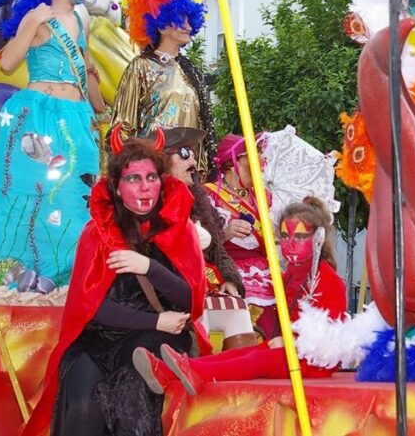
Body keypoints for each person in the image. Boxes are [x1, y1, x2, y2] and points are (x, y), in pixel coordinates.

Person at [22, 130, 210, 436]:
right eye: (133, 178)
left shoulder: (180, 229)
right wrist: (157, 319)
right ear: (117, 188)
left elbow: (190, 299)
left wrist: (149, 267)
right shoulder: (96, 233)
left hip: (157, 338)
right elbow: (91, 306)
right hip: (103, 335)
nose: (145, 186)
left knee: (131, 398)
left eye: (151, 177)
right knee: (82, 406)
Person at [0, 0, 107, 303]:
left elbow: (91, 88)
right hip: (39, 115)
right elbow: (7, 64)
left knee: (76, 200)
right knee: (29, 195)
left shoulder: (81, 23)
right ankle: (19, 279)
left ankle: (70, 280)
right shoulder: (40, 16)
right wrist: (30, 22)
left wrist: (96, 89)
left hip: (76, 116)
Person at [133, 197, 346, 394]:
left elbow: (330, 338)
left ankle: (191, 372)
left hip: (313, 359)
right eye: (284, 236)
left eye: (299, 237)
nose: (290, 244)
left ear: (317, 238)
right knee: (240, 353)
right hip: (291, 349)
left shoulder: (328, 280)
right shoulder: (291, 273)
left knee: (256, 359)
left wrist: (291, 341)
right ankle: (171, 371)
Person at [110, 0, 218, 179]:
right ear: (160, 25)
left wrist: (200, 169)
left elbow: (201, 125)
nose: (188, 27)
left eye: (191, 21)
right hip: (153, 170)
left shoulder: (191, 70)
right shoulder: (141, 67)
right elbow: (123, 125)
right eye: (181, 20)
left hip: (187, 171)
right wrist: (134, 169)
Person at [162, 126, 259, 351]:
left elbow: (216, 248)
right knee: (196, 309)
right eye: (184, 154)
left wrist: (229, 279)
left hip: (203, 284)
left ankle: (239, 379)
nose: (193, 159)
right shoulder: (153, 200)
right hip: (170, 292)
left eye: (193, 153)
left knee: (237, 310)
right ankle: (196, 371)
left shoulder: (200, 200)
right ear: (163, 161)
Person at [204, 134, 275, 313]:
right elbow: (194, 242)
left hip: (267, 271)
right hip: (227, 272)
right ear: (232, 163)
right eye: (254, 153)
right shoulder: (208, 195)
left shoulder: (265, 196)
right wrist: (225, 233)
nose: (261, 159)